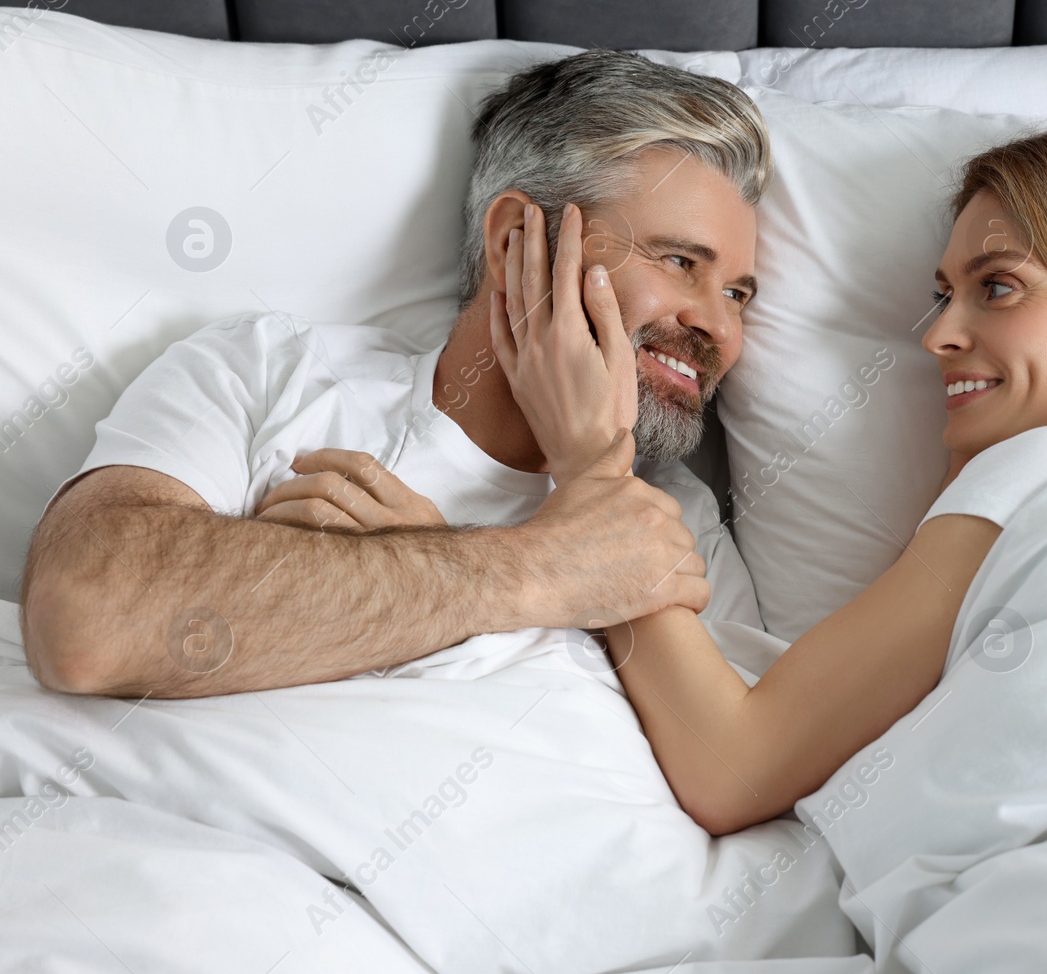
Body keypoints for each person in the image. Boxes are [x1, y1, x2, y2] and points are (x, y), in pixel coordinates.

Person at [588, 126, 1047, 835]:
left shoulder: (1036, 471)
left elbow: (734, 767)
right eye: (943, 295)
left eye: (999, 288)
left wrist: (590, 474)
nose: (938, 336)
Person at [19, 48, 771, 699]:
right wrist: (532, 570)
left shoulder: (683, 528)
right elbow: (85, 618)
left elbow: (738, 779)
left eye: (738, 293)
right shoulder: (269, 372)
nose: (721, 327)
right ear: (518, 241)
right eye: (680, 262)